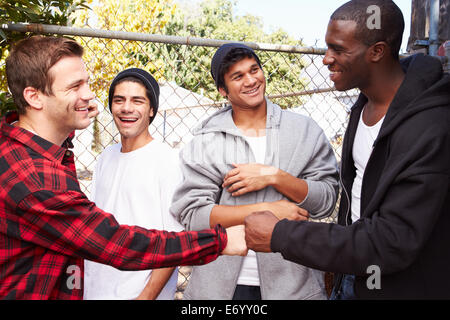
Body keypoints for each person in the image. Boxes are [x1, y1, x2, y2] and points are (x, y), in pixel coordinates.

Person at [0, 35, 247, 300]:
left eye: (87, 83)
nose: (88, 95)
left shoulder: (33, 150)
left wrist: (73, 113)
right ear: (34, 97)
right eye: (74, 87)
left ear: (152, 109)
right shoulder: (35, 176)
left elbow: (170, 231)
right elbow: (115, 243)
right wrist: (220, 241)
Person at [244, 0, 450, 299]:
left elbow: (392, 241)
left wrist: (281, 235)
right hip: (356, 275)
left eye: (338, 49)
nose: (326, 59)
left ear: (377, 51)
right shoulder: (363, 106)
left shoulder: (431, 126)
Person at [170, 43, 339, 300]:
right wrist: (270, 211)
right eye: (238, 76)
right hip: (219, 289)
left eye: (254, 70)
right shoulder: (205, 142)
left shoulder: (305, 130)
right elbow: (193, 216)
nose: (251, 80)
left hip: (293, 285)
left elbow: (325, 201)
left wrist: (273, 176)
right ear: (223, 90)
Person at [83, 68, 184, 300]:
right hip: (97, 290)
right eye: (119, 100)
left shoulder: (168, 161)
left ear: (151, 110)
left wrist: (145, 298)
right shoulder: (105, 157)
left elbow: (175, 242)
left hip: (138, 294)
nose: (126, 108)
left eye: (137, 101)